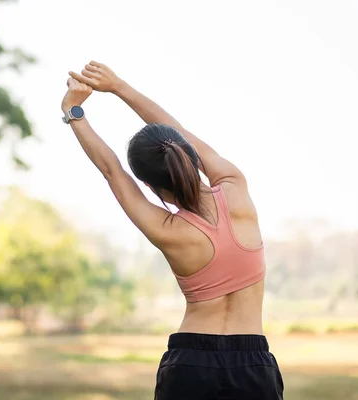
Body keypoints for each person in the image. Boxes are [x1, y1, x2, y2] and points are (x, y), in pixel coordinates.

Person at [60, 61, 284, 400]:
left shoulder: (166, 229)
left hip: (190, 365)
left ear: (150, 187)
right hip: (253, 366)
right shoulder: (235, 187)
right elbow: (175, 130)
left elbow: (112, 171)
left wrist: (74, 112)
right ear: (191, 158)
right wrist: (118, 86)